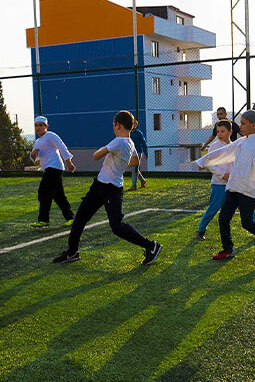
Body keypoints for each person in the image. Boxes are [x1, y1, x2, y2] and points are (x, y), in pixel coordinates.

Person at [52, 110, 163, 265]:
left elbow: (96, 156)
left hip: (110, 189)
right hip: (101, 185)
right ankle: (72, 252)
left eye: (113, 125)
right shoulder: (130, 143)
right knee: (80, 218)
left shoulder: (118, 142)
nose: (113, 127)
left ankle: (151, 246)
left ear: (118, 125)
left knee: (116, 226)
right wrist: (119, 164)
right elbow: (135, 161)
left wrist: (107, 150)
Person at [195, 110, 255, 260]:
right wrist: (204, 161)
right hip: (233, 187)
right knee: (223, 218)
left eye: (243, 123)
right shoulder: (241, 141)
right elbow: (224, 152)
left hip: (247, 190)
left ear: (253, 125)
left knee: (247, 223)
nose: (240, 126)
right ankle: (228, 249)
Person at [195, 120, 255, 240]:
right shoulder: (214, 146)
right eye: (218, 132)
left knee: (246, 207)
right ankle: (201, 230)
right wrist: (222, 175)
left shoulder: (235, 145)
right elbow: (210, 164)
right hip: (219, 184)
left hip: (234, 184)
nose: (219, 134)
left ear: (230, 132)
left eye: (222, 131)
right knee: (214, 207)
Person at [30, 115, 76, 228]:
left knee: (43, 192)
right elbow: (34, 158)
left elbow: (62, 147)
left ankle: (43, 219)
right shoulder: (37, 142)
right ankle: (71, 218)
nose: (38, 128)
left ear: (46, 126)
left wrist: (69, 162)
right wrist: (33, 154)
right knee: (59, 196)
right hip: (49, 169)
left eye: (41, 125)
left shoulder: (50, 135)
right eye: (36, 125)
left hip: (54, 168)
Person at [128, 119, 148, 191]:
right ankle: (142, 181)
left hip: (138, 152)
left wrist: (146, 152)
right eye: (132, 124)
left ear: (136, 125)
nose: (133, 125)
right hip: (131, 153)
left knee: (134, 169)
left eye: (135, 124)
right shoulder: (128, 133)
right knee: (136, 169)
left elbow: (144, 142)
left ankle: (134, 185)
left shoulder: (138, 133)